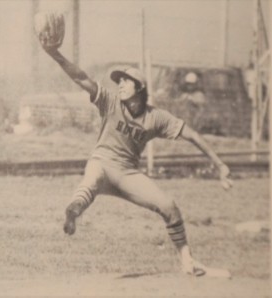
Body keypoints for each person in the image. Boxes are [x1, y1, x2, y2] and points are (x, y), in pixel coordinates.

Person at [37, 31, 233, 278]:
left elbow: (191, 134)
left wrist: (220, 164)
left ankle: (188, 262)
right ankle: (73, 211)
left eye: (125, 81)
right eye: (118, 81)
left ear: (139, 88)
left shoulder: (155, 117)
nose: (119, 84)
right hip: (102, 162)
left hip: (128, 174)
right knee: (91, 180)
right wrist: (55, 53)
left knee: (169, 206)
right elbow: (81, 78)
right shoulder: (109, 102)